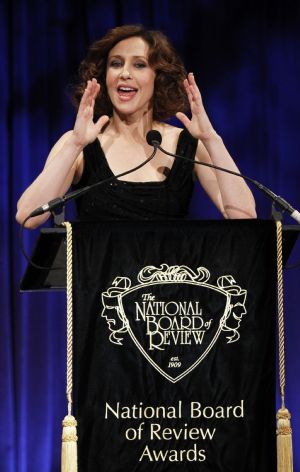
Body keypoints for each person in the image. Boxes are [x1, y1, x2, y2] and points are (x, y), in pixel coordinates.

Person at [16, 24, 256, 228]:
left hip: (173, 283)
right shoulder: (79, 143)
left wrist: (212, 139)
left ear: (157, 77)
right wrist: (75, 145)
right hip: (101, 283)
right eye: (116, 64)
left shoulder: (188, 144)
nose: (125, 74)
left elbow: (244, 217)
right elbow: (28, 216)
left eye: (139, 65)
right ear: (104, 77)